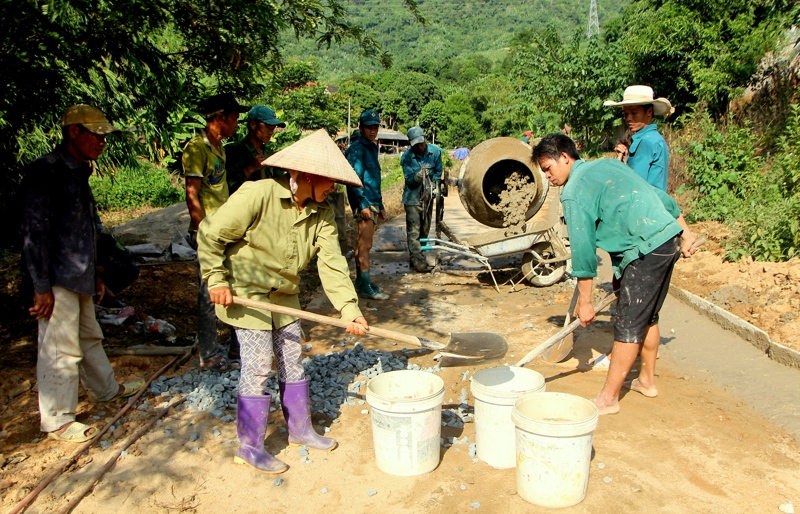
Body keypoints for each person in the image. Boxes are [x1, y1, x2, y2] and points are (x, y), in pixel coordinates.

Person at [197, 129, 369, 474]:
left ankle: (300, 429)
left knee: (292, 358)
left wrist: (350, 310)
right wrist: (215, 279)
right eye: (329, 181)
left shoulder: (322, 213)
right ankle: (249, 445)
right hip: (246, 294)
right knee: (259, 364)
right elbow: (210, 233)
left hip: (284, 297)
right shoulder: (258, 195)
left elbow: (332, 264)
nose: (333, 188)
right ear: (306, 176)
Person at [532, 133, 696, 415]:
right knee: (649, 316)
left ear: (565, 157)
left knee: (628, 323)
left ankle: (608, 398)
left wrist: (585, 302)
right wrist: (686, 231)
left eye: (548, 168)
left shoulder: (573, 192)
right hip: (668, 240)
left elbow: (583, 252)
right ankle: (646, 381)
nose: (547, 176)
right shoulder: (608, 166)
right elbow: (659, 197)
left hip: (646, 249)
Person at [21, 104, 144, 442]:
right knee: (59, 347)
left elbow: (84, 231)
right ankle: (58, 420)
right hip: (57, 277)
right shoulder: (45, 172)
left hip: (79, 274)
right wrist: (41, 286)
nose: (103, 142)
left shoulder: (78, 171)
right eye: (97, 134)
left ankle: (105, 390)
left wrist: (95, 275)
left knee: (89, 336)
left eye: (105, 136)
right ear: (74, 131)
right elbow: (35, 234)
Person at [182, 93, 249, 372]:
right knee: (209, 291)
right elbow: (192, 194)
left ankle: (236, 346)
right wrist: (203, 232)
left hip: (224, 230)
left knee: (233, 283)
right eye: (233, 119)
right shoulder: (197, 148)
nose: (236, 125)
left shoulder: (219, 148)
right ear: (218, 118)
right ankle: (208, 354)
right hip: (208, 233)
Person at [345, 109, 388, 300]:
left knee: (362, 244)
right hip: (364, 202)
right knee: (366, 245)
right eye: (369, 128)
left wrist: (381, 205)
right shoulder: (357, 149)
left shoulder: (372, 147)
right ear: (361, 128)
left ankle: (362, 282)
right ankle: (365, 286)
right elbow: (354, 179)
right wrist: (363, 204)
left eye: (375, 127)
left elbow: (374, 178)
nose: (373, 131)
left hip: (372, 200)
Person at [604, 85, 674, 191]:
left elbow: (634, 184)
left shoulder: (646, 142)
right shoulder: (655, 139)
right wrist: (625, 159)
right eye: (626, 114)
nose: (628, 118)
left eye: (634, 113)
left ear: (649, 112)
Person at [401, 126, 443, 272]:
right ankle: (415, 258)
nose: (420, 146)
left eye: (421, 143)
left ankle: (421, 254)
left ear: (424, 138)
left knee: (425, 227)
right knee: (414, 229)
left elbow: (438, 171)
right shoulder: (407, 157)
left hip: (428, 197)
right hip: (413, 198)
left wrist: (435, 183)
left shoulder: (435, 152)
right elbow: (410, 181)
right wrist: (418, 176)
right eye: (416, 144)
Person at [225, 105, 286, 194]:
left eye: (273, 128)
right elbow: (224, 187)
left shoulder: (270, 154)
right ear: (253, 125)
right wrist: (250, 169)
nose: (271, 132)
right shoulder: (233, 151)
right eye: (268, 126)